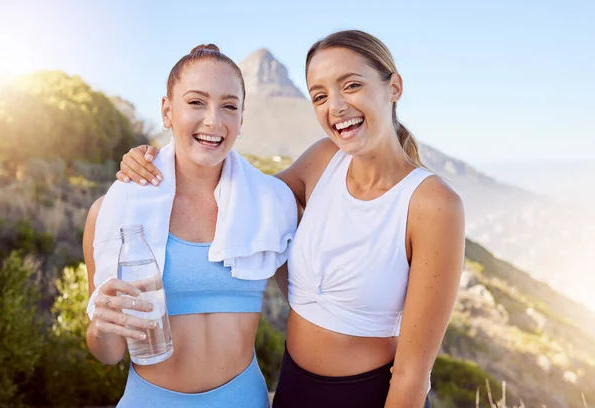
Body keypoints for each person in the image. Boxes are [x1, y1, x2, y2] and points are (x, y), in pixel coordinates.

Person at [118, 30, 465, 408]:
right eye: (319, 96)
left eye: (351, 85)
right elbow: (235, 194)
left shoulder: (433, 204)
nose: (335, 107)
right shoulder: (321, 161)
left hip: (368, 396)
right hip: (293, 391)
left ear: (393, 87)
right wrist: (154, 163)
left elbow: (413, 376)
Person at [84, 44, 296, 408]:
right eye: (196, 102)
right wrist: (102, 327)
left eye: (229, 106)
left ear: (242, 119)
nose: (213, 120)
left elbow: (313, 308)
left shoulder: (270, 205)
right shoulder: (115, 212)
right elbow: (108, 354)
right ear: (167, 111)